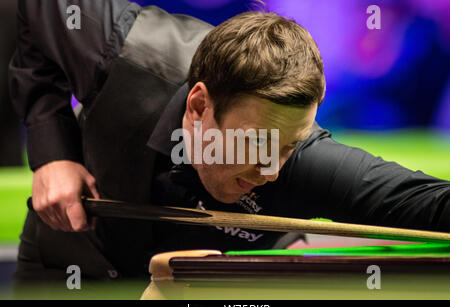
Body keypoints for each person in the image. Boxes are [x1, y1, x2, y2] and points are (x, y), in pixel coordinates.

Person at [9, 0, 449, 283]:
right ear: (199, 106)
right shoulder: (124, 52)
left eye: (289, 146)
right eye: (255, 145)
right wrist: (53, 153)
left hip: (208, 294)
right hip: (69, 264)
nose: (272, 171)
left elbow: (427, 204)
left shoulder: (300, 160)